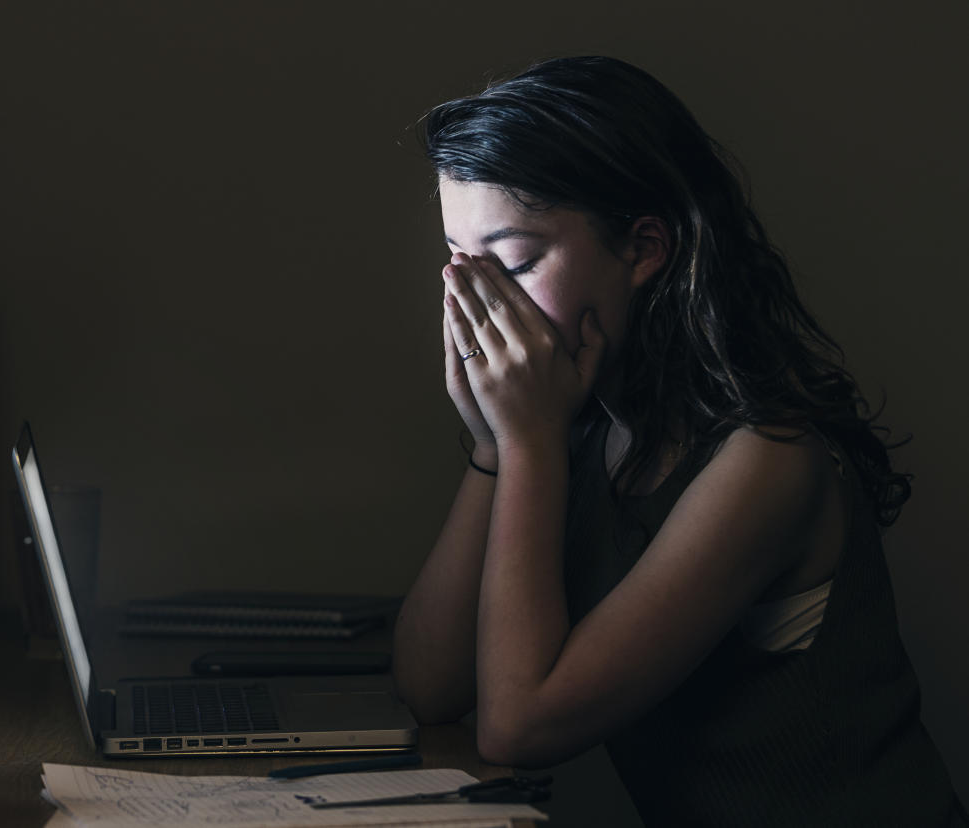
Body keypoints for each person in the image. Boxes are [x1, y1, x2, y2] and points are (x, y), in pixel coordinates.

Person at [391, 55, 965, 826]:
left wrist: (527, 446)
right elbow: (432, 688)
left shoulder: (768, 459)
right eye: (463, 268)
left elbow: (519, 726)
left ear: (644, 249)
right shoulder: (581, 429)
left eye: (517, 262)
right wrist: (495, 449)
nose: (482, 305)